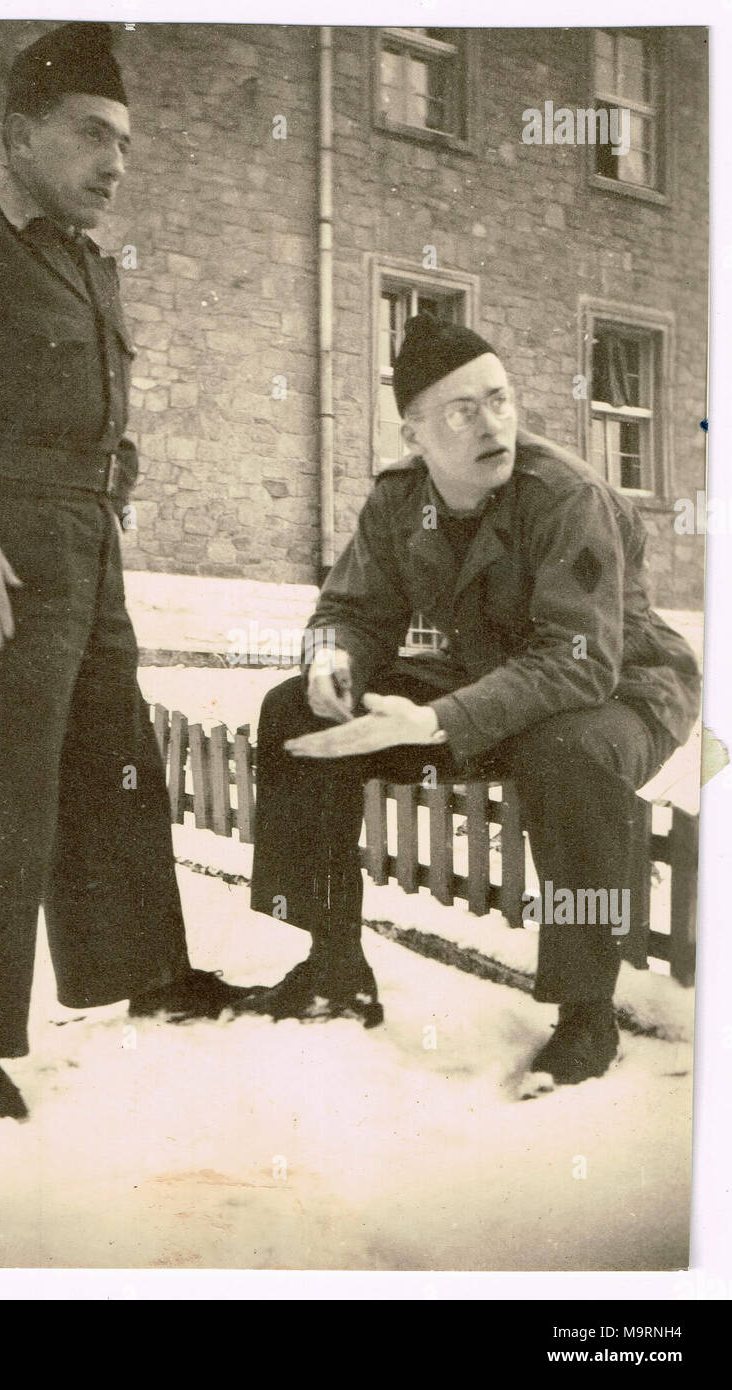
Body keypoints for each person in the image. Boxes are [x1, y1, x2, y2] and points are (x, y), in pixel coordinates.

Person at [0, 22, 244, 1125]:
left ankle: (148, 973)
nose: (114, 160)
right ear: (20, 132)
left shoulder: (83, 259)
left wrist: (112, 480)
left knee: (111, 759)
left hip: (87, 545)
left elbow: (97, 407)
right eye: (89, 133)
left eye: (124, 139)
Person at [243, 315, 700, 1090]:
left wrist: (433, 720)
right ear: (414, 431)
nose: (492, 425)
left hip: (621, 685)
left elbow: (575, 661)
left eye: (499, 400)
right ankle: (332, 966)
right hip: (487, 677)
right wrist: (331, 660)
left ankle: (586, 1010)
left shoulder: (565, 497)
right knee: (294, 711)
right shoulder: (398, 501)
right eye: (460, 411)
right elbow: (352, 610)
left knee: (567, 750)